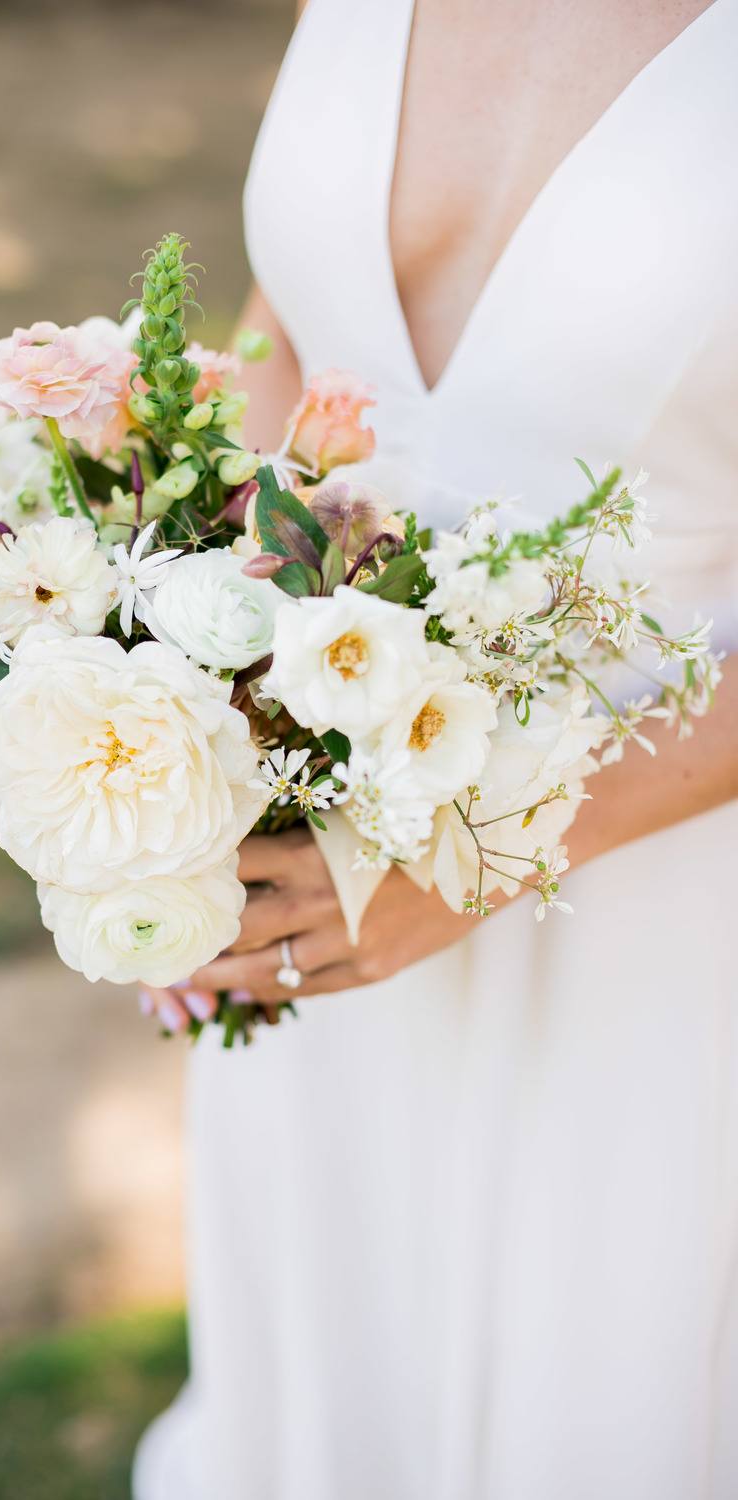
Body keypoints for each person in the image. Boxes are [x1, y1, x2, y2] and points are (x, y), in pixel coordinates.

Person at [134, 1, 738, 1495]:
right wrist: (194, 666)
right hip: (332, 886)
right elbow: (296, 323)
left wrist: (497, 845)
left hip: (662, 911)